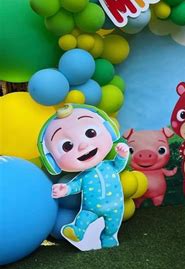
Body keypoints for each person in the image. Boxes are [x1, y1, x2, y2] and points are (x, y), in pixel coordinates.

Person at [38, 103, 129, 248]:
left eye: (90, 133)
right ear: (52, 161)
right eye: (67, 146)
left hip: (115, 207)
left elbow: (118, 165)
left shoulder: (109, 166)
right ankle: (77, 231)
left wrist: (122, 155)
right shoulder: (84, 176)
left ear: (109, 130)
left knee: (112, 226)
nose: (83, 146)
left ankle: (108, 237)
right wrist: (65, 189)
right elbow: (75, 185)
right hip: (89, 209)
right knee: (83, 219)